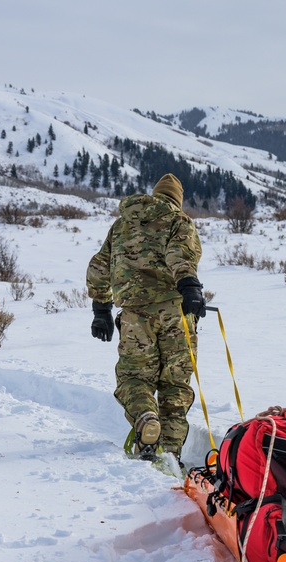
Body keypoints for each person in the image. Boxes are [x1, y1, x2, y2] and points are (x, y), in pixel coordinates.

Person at [86, 173, 206, 466]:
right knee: (175, 386)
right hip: (175, 314)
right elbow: (181, 254)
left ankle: (145, 417)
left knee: (134, 377)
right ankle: (170, 454)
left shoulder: (122, 224)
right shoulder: (179, 221)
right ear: (177, 200)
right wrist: (189, 285)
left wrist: (101, 309)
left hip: (134, 316)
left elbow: (99, 266)